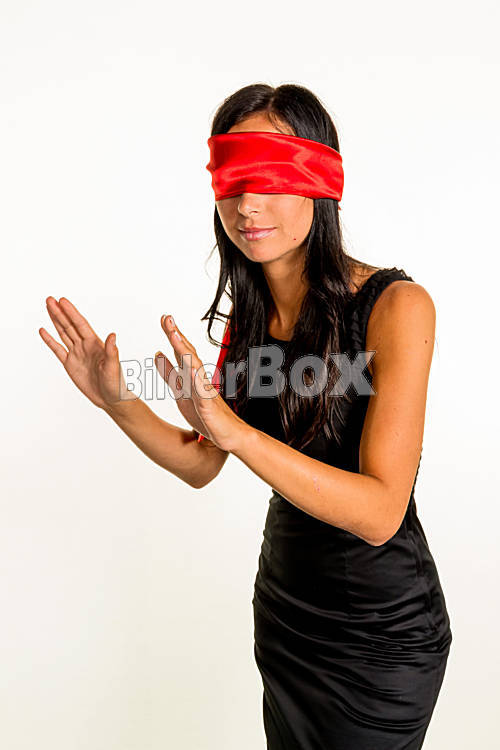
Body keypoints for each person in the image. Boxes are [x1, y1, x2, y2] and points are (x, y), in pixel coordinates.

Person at [39, 83, 452, 749]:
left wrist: (238, 433)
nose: (246, 204)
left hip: (380, 636)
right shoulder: (252, 318)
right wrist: (116, 399)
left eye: (270, 178)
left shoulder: (396, 307)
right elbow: (203, 462)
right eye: (232, 180)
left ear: (320, 182)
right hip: (287, 618)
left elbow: (381, 512)